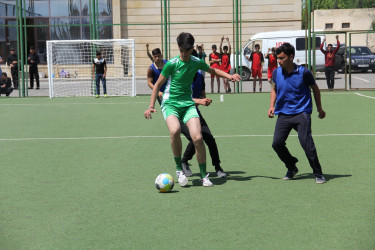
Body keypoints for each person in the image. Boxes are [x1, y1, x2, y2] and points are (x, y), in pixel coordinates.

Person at [144, 32, 240, 187]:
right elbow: (157, 85)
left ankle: (203, 176)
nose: (184, 53)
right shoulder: (172, 64)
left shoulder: (196, 62)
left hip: (188, 103)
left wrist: (229, 77)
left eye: (187, 50)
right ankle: (178, 169)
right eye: (181, 50)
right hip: (170, 103)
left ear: (191, 48)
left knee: (198, 138)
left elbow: (213, 71)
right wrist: (151, 106)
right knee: (174, 131)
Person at [267, 42, 326, 184]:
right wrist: (271, 106)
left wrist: (319, 108)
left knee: (306, 144)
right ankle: (291, 166)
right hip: (283, 113)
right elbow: (274, 88)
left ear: (291, 57)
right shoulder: (276, 72)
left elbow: (315, 89)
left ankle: (318, 173)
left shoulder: (304, 72)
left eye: (281, 58)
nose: (278, 61)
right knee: (277, 144)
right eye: (277, 58)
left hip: (301, 112)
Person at [180, 50, 227, 178]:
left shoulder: (200, 77)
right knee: (195, 138)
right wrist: (199, 100)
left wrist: (204, 100)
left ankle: (218, 167)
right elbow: (182, 99)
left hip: (194, 112)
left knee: (209, 139)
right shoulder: (182, 76)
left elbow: (202, 95)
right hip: (179, 114)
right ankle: (183, 162)